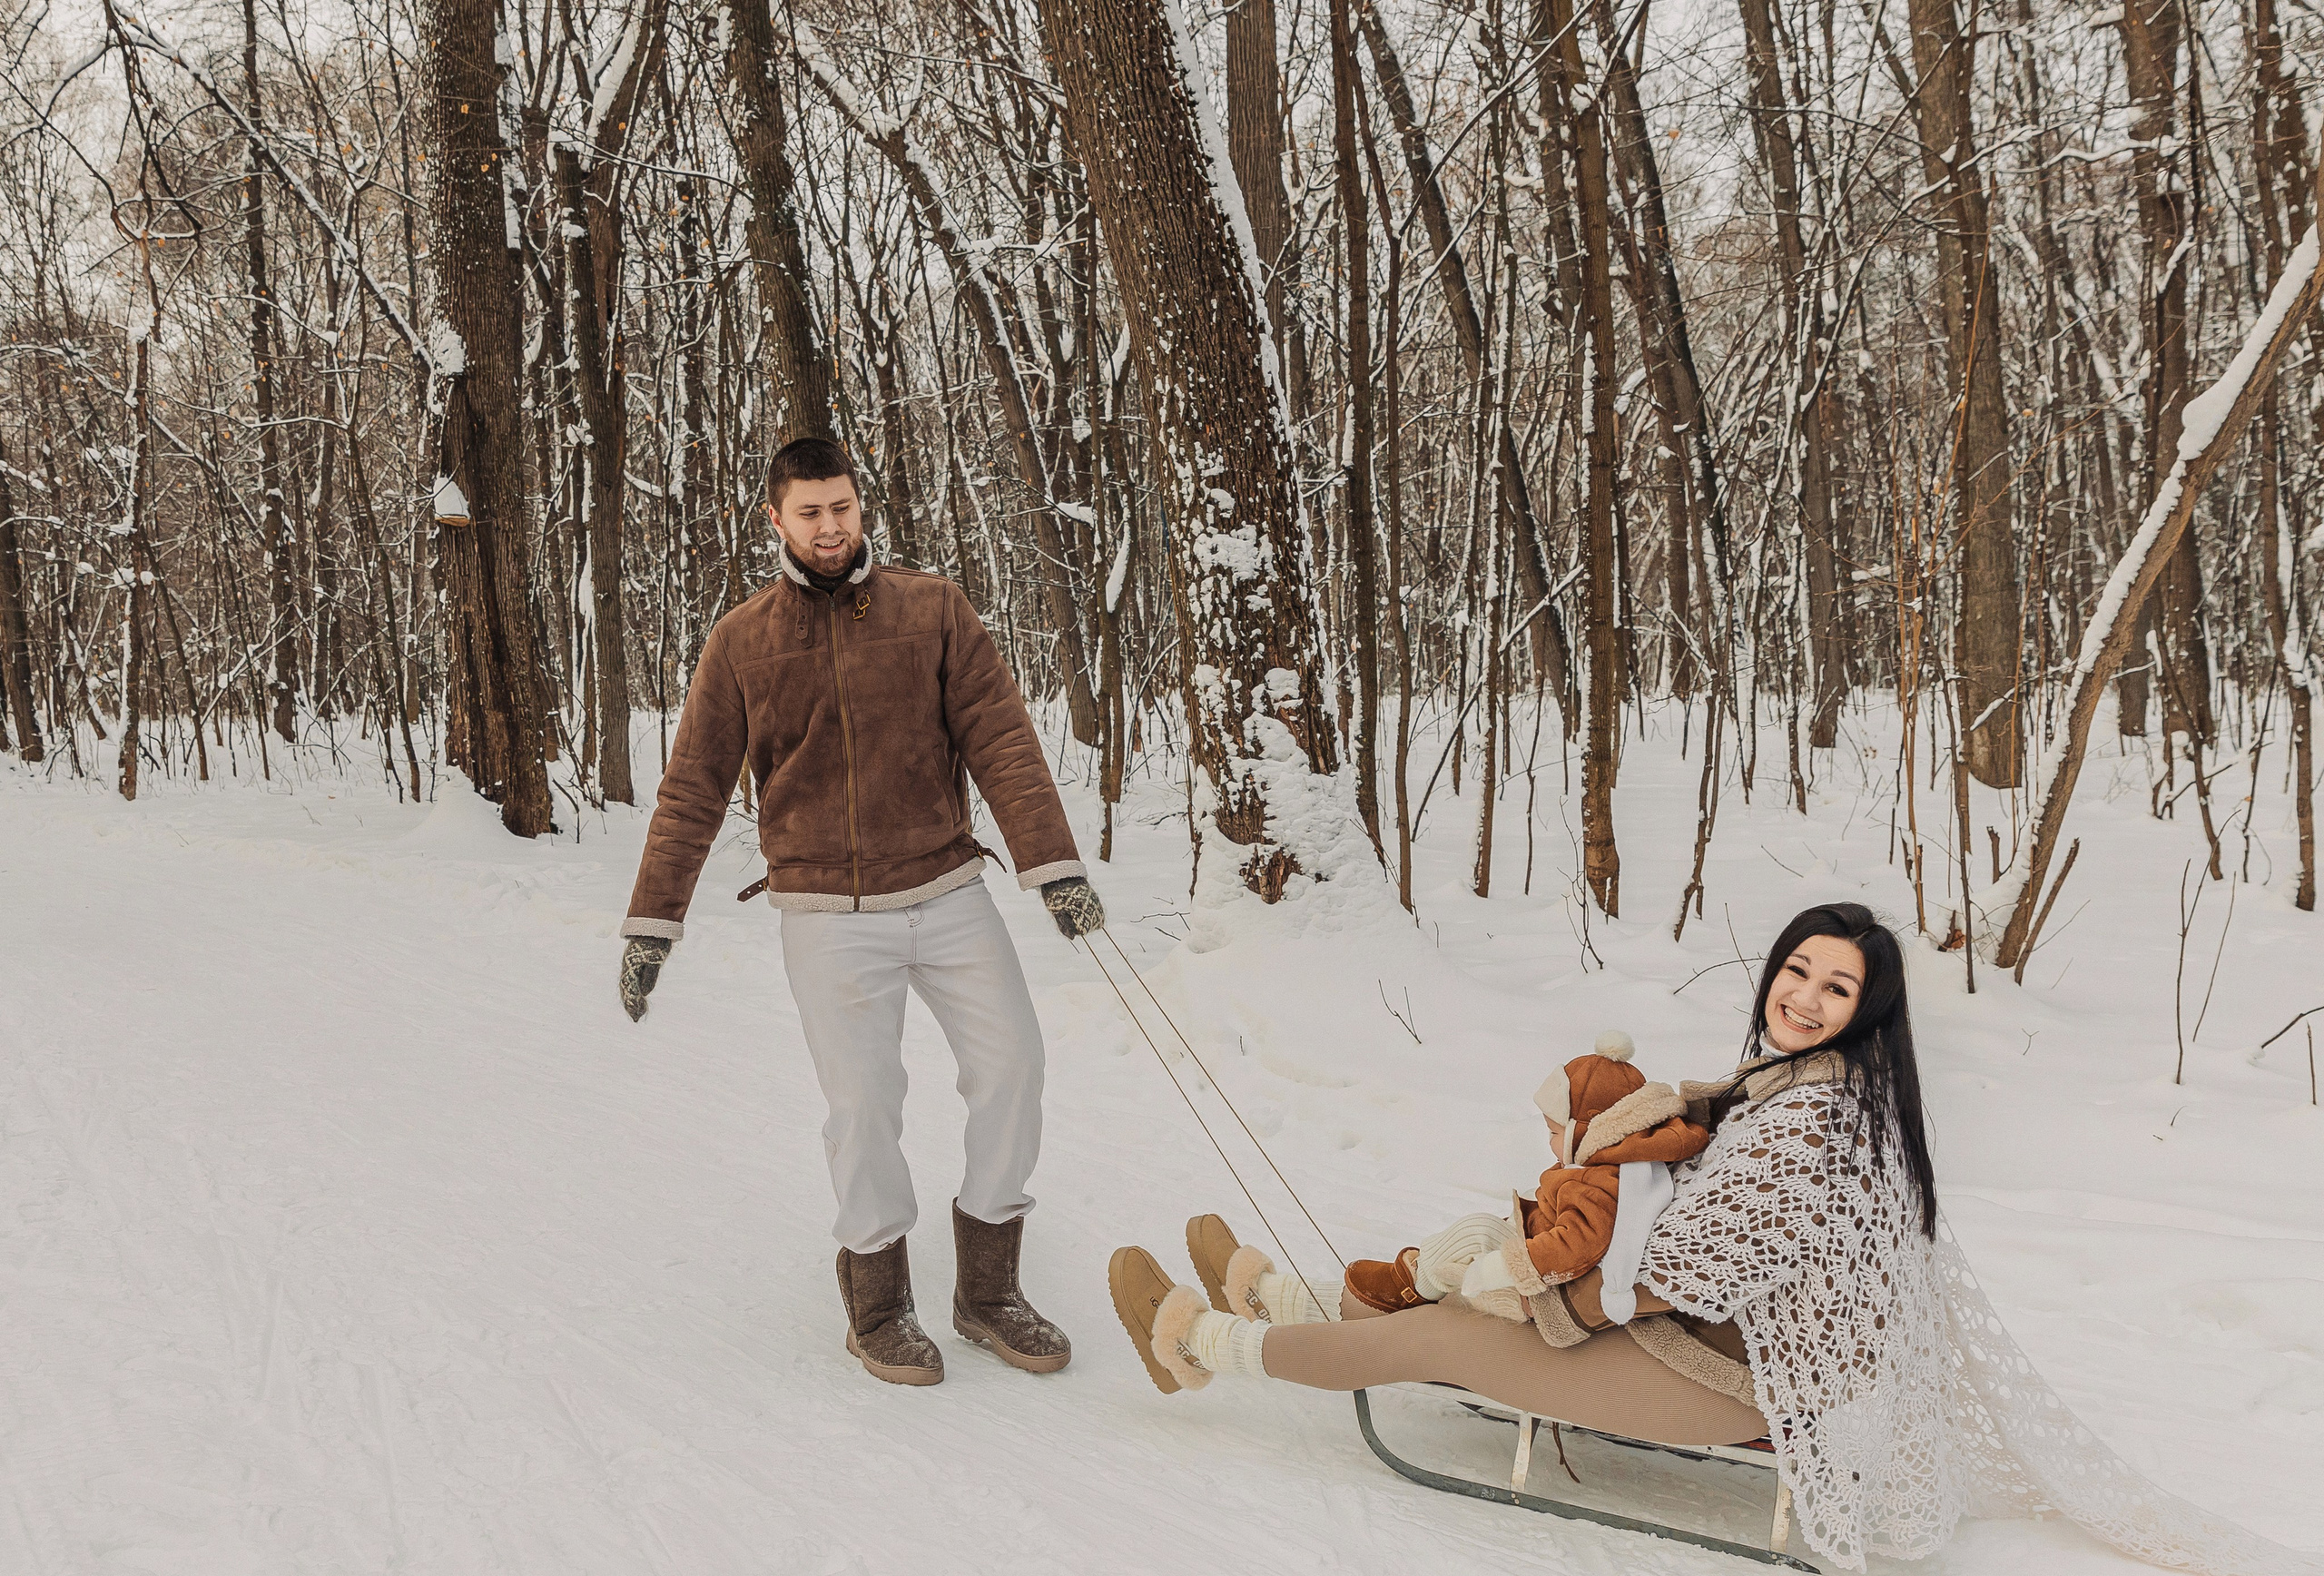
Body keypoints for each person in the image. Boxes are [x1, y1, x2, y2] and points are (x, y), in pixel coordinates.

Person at [1113, 904, 2309, 1574]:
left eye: (1834, 989)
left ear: (1865, 1013)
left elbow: (1669, 1274)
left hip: (1742, 1381)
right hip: (1716, 1337)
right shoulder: (1789, 1083)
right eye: (1797, 971)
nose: (1804, 996)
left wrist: (1531, 1302)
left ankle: (1198, 1343)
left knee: (1450, 1324)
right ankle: (1285, 1294)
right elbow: (1688, 1151)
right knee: (1493, 1238)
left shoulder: (1813, 1122)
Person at [618, 436, 1106, 1388]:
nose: (831, 526)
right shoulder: (742, 641)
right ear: (775, 520)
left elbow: (1001, 735)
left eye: (842, 506)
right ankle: (878, 1299)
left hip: (947, 886)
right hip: (827, 911)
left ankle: (987, 1290)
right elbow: (692, 789)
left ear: (860, 506)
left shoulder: (932, 609)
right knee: (865, 1101)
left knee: (1013, 1063)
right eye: (810, 512)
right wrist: (650, 925)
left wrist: (1052, 865)